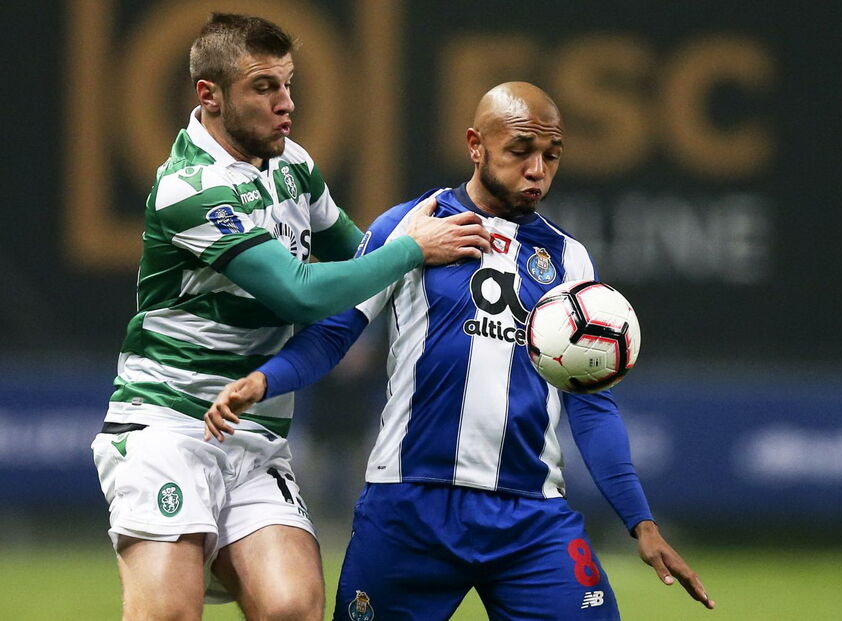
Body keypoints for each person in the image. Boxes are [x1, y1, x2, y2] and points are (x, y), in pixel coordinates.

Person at [206, 82, 715, 620]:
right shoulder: (410, 227)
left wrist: (642, 523)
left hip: (530, 516)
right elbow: (335, 333)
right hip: (410, 507)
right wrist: (266, 379)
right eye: (520, 151)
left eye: (551, 155)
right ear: (476, 145)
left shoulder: (570, 260)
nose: (537, 169)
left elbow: (590, 404)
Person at [90, 13, 490, 621]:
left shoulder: (293, 167)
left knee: (291, 608)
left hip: (256, 437)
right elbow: (300, 294)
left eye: (288, 83)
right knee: (166, 616)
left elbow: (359, 262)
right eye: (264, 87)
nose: (287, 103)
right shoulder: (188, 187)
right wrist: (409, 248)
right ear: (210, 96)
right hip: (167, 429)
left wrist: (421, 259)